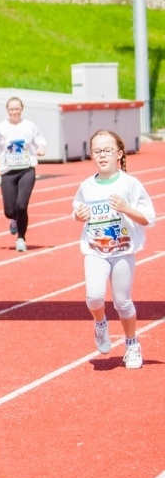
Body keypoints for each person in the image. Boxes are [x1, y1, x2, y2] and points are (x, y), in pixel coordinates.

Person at [72, 129, 155, 369]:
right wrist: (79, 215)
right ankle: (100, 324)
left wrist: (126, 208)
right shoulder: (86, 186)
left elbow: (147, 218)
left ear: (119, 153)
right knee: (94, 296)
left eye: (107, 150)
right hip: (95, 250)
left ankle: (131, 343)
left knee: (122, 302)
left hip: (123, 251)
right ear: (91, 155)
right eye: (97, 151)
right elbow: (78, 211)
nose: (102, 155)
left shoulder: (130, 184)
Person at [0, 96, 46, 252]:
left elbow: (40, 142)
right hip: (8, 171)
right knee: (10, 211)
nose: (14, 112)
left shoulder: (29, 126)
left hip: (27, 169)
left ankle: (21, 238)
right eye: (11, 109)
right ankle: (13, 220)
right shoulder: (1, 127)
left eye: (17, 109)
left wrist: (41, 150)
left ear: (21, 109)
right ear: (7, 110)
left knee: (21, 205)